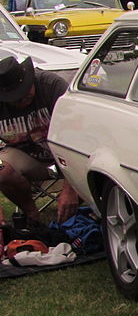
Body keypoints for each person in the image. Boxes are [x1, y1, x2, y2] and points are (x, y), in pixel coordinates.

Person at [0, 56, 80, 225]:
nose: (22, 99)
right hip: (28, 157)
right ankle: (31, 214)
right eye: (15, 97)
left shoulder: (52, 86)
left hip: (67, 154)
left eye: (24, 92)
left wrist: (70, 187)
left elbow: (77, 138)